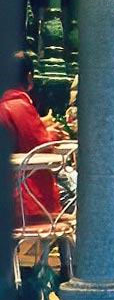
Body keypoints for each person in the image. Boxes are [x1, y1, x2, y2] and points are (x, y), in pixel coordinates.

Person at [3, 52, 64, 223]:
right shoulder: (19, 105)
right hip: (28, 204)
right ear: (29, 77)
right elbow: (41, 146)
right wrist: (54, 135)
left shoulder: (6, 103)